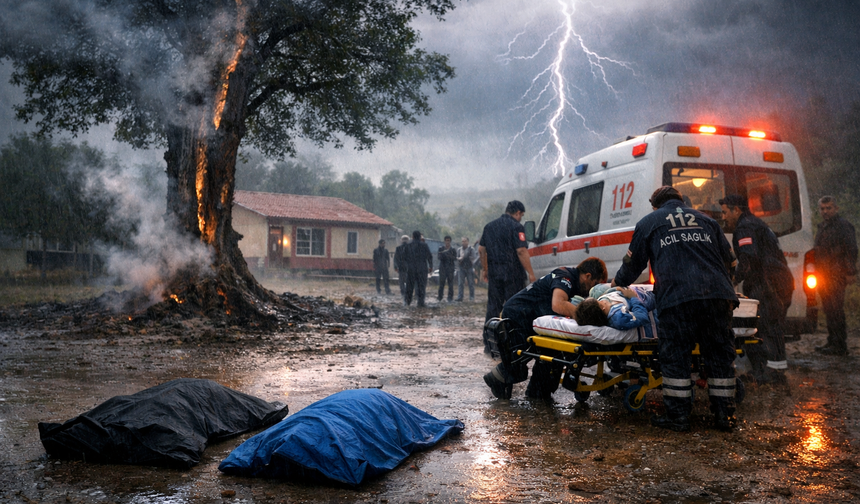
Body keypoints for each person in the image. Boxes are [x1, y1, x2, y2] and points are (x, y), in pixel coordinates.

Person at [613, 186, 739, 433]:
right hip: (717, 298)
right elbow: (731, 261)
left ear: (655, 206)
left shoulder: (650, 222)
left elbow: (633, 263)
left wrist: (618, 283)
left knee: (676, 357)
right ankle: (725, 416)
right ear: (681, 201)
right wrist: (723, 286)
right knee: (719, 356)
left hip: (678, 299)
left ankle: (678, 417)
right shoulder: (707, 221)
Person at [483, 257, 607, 400]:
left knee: (549, 352)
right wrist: (586, 316)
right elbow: (558, 304)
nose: (593, 289)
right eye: (595, 284)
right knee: (521, 361)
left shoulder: (570, 279)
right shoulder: (565, 277)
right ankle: (498, 379)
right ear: (588, 276)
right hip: (519, 314)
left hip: (527, 312)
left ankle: (538, 392)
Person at [720, 194, 794, 384]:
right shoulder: (754, 223)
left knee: (765, 326)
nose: (723, 217)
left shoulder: (745, 227)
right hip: (777, 280)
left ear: (736, 209)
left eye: (724, 212)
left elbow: (748, 259)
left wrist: (731, 281)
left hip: (769, 283)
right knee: (772, 326)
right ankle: (775, 371)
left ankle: (770, 374)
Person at [479, 200, 537, 355]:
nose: (521, 218)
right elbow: (521, 251)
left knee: (493, 307)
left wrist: (485, 269)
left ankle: (490, 345)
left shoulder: (489, 226)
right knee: (514, 308)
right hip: (513, 275)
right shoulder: (517, 227)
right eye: (521, 215)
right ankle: (514, 344)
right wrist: (531, 273)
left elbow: (481, 250)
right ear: (517, 213)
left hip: (495, 274)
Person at [813, 196, 858, 356]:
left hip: (837, 273)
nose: (825, 211)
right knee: (828, 308)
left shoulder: (843, 226)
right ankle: (832, 340)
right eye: (822, 208)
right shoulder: (823, 226)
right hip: (824, 274)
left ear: (836, 208)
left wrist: (850, 272)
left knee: (836, 309)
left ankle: (840, 345)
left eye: (829, 208)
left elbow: (851, 250)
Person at [574, 285, 658, 340]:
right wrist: (633, 297)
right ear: (602, 307)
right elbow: (642, 317)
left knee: (596, 290)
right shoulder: (618, 317)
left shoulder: (604, 306)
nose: (602, 300)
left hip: (636, 293)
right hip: (649, 299)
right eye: (599, 301)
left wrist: (616, 289)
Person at [404, 230, 433, 307]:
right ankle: (420, 303)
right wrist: (430, 266)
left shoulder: (408, 245)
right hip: (422, 269)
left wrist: (407, 265)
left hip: (411, 269)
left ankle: (408, 302)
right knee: (421, 286)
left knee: (409, 287)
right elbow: (429, 256)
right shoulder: (424, 245)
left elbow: (404, 257)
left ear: (412, 236)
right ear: (420, 237)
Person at [456, 237, 477, 302]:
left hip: (469, 268)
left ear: (468, 242)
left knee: (470, 283)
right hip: (461, 267)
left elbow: (474, 258)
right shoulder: (459, 249)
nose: (464, 242)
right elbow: (457, 258)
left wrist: (466, 257)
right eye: (462, 241)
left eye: (465, 241)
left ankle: (471, 297)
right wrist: (459, 259)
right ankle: (460, 297)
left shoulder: (471, 249)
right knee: (460, 283)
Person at [437, 236, 456, 302]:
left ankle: (450, 297)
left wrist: (449, 256)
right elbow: (439, 257)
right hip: (443, 268)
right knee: (441, 283)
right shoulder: (441, 248)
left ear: (450, 241)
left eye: (448, 240)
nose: (447, 242)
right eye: (446, 240)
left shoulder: (453, 249)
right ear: (444, 241)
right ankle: (440, 297)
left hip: (450, 269)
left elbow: (455, 258)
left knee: (450, 284)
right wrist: (444, 254)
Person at [393, 235, 410, 301]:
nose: (405, 240)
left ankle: (404, 293)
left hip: (403, 267)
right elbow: (396, 258)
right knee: (403, 281)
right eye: (404, 239)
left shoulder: (399, 248)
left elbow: (395, 259)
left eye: (406, 239)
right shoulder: (400, 248)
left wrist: (396, 266)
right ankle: (405, 293)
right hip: (404, 267)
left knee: (402, 281)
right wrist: (396, 266)